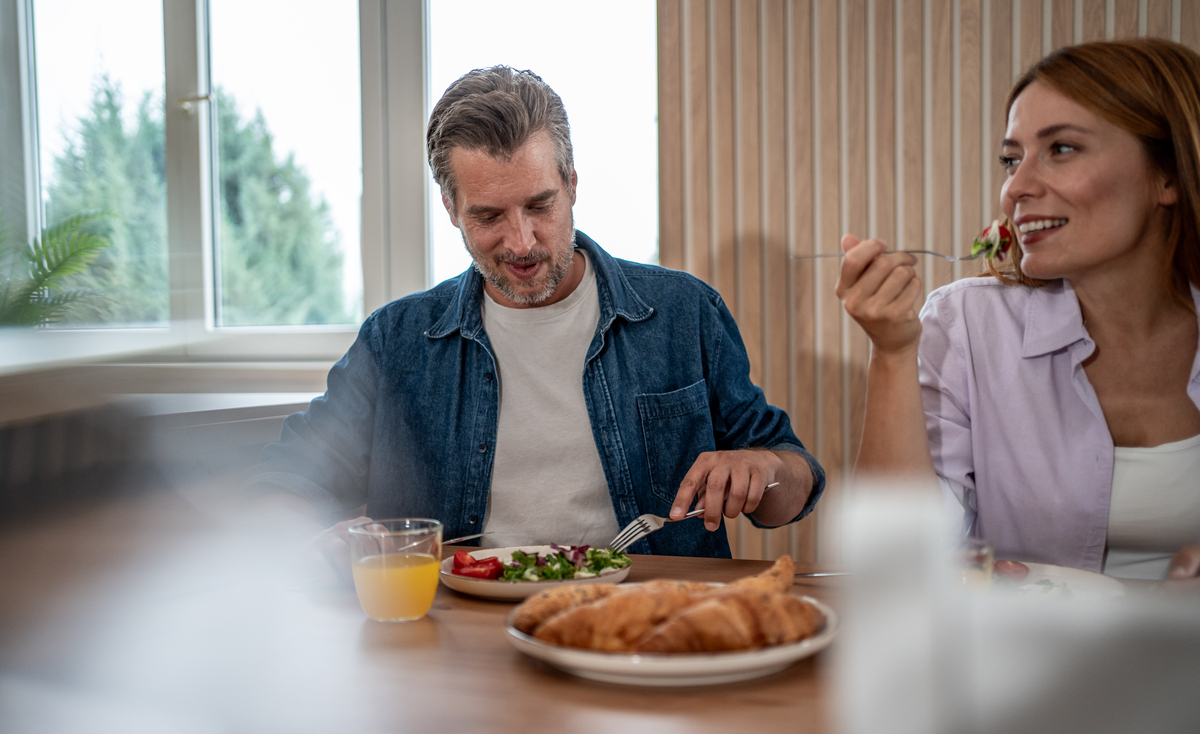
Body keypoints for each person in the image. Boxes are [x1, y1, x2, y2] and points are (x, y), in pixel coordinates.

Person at [252, 66, 824, 558]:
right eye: (488, 216)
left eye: (539, 205)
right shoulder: (395, 340)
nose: (521, 242)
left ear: (571, 184)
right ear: (451, 209)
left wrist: (763, 470)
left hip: (648, 626)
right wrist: (316, 534)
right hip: (457, 642)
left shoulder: (683, 312)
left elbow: (791, 485)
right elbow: (289, 480)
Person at [836, 38, 1200, 583]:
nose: (1016, 187)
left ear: (1167, 175)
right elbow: (898, 562)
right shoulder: (965, 326)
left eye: (1062, 149)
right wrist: (891, 352)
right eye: (1012, 159)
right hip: (1028, 659)